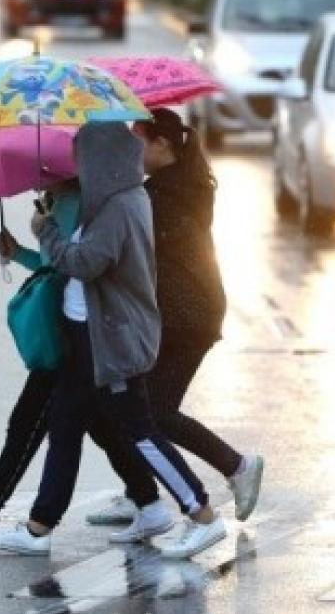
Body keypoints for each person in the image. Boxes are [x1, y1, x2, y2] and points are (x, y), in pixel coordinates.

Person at [0, 122, 226, 559]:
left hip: (110, 338)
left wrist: (47, 231)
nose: (78, 168)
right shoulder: (110, 202)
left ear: (104, 160)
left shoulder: (121, 206)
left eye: (83, 159)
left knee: (140, 430)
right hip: (86, 335)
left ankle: (202, 514)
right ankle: (39, 528)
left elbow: (86, 262)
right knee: (65, 427)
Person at [0, 179, 158, 544]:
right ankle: (149, 501)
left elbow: (74, 267)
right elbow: (57, 267)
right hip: (73, 329)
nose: (35, 173)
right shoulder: (64, 199)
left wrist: (45, 228)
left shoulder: (74, 202)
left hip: (69, 334)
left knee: (29, 422)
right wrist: (19, 252)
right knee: (100, 426)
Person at [91, 108, 262, 538]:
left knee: (152, 412)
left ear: (161, 145)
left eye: (138, 142)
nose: (132, 151)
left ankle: (235, 466)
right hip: (183, 312)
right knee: (135, 408)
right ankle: (140, 493)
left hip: (186, 316)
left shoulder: (166, 197)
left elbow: (130, 244)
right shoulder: (178, 185)